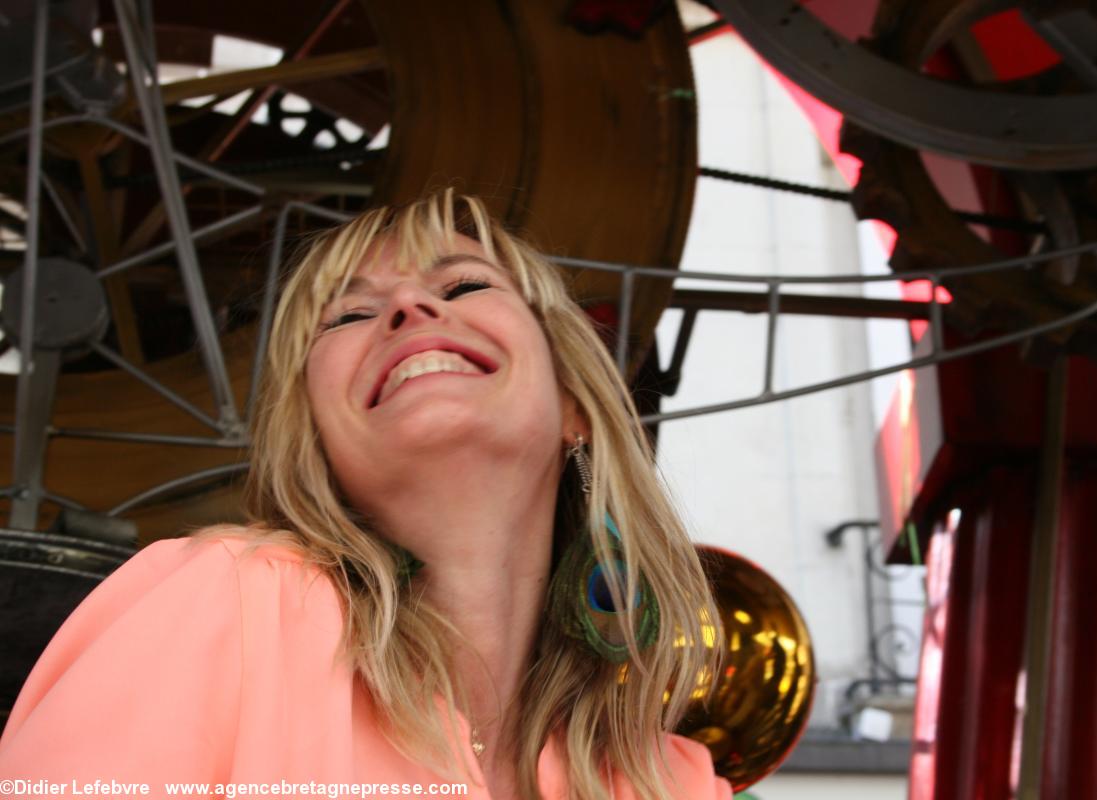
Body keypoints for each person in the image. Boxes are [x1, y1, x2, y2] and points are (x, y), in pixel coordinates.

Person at [0, 190, 730, 800]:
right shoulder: (226, 602)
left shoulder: (671, 782)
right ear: (316, 439)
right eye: (348, 315)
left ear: (574, 403)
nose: (409, 305)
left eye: (464, 285)